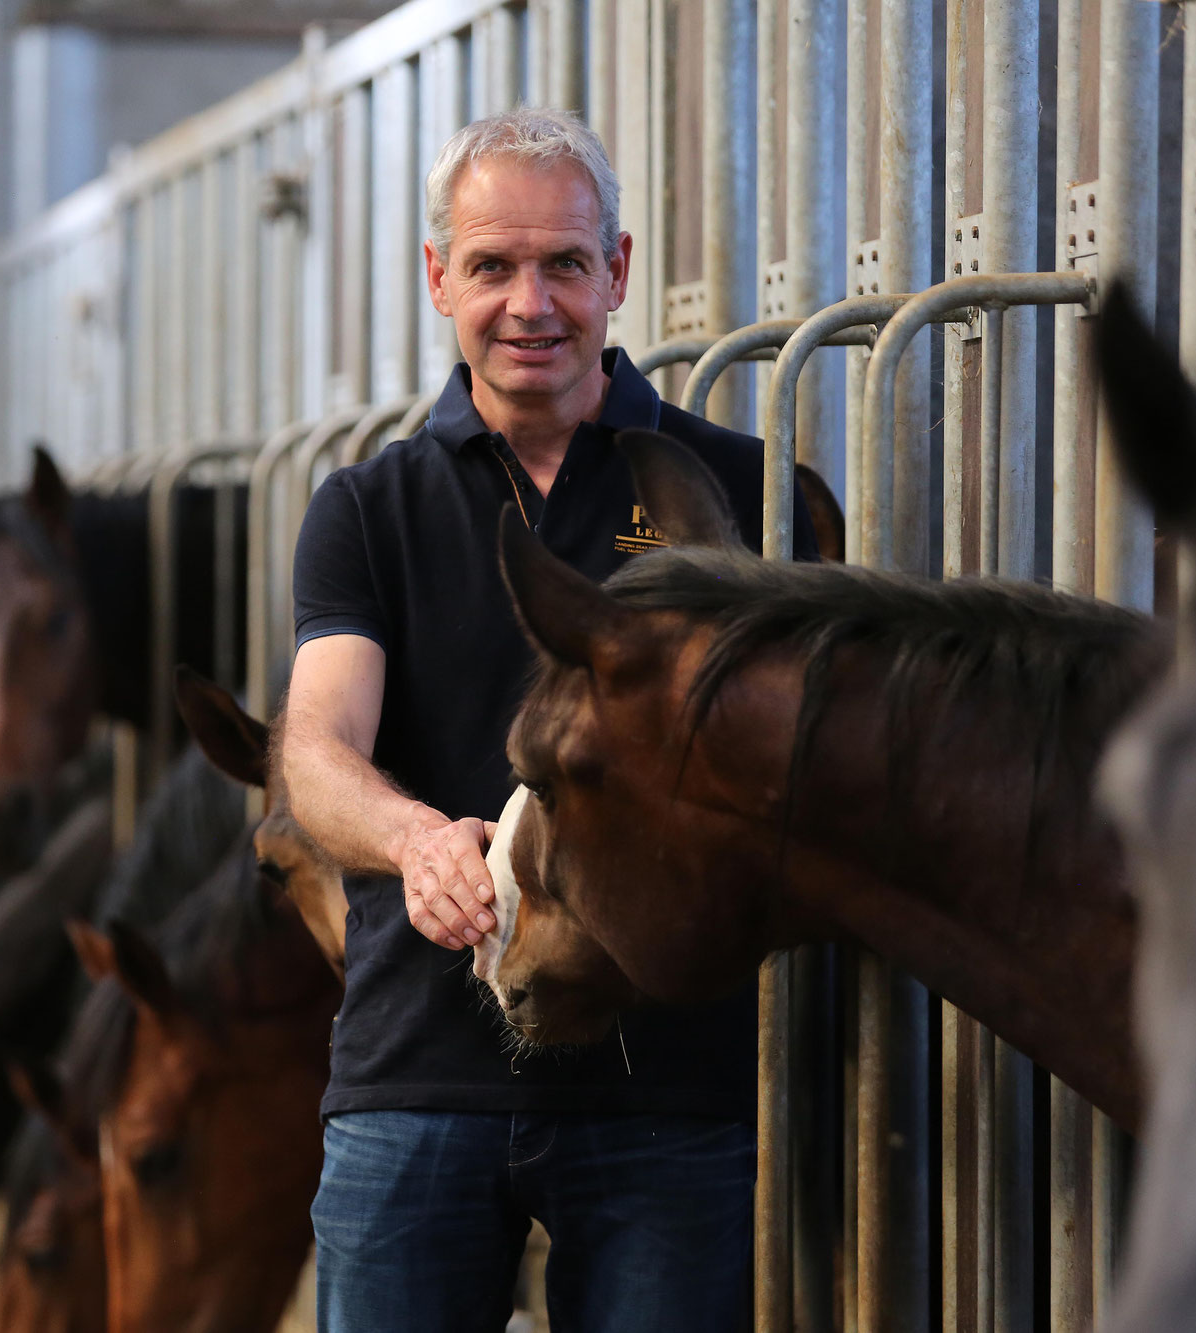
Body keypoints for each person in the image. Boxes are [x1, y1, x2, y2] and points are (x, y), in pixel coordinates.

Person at [281, 108, 817, 1333]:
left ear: (616, 269)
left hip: (668, 1088)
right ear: (437, 279)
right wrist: (417, 840)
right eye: (490, 265)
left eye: (564, 264)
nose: (530, 303)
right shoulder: (369, 508)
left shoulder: (740, 490)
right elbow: (314, 749)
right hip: (413, 1073)